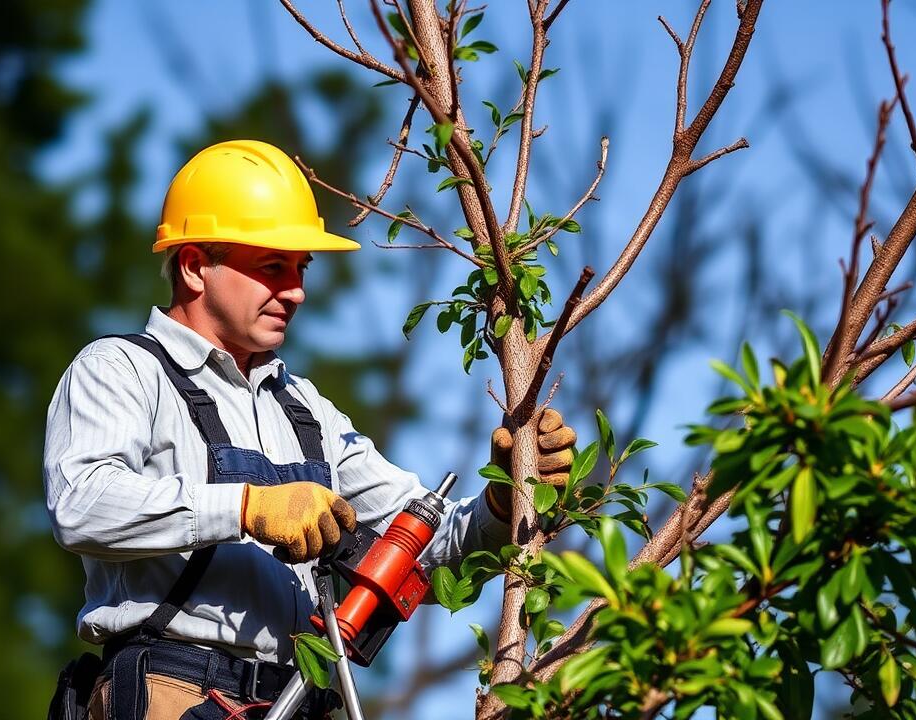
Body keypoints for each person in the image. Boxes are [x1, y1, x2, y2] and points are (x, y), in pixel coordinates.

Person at [43, 139, 576, 720]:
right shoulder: (121, 371)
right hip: (174, 691)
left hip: (303, 698)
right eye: (272, 267)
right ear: (196, 266)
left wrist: (505, 499)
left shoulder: (304, 410)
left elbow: (426, 536)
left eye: (301, 269)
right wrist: (246, 506)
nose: (295, 290)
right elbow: (81, 505)